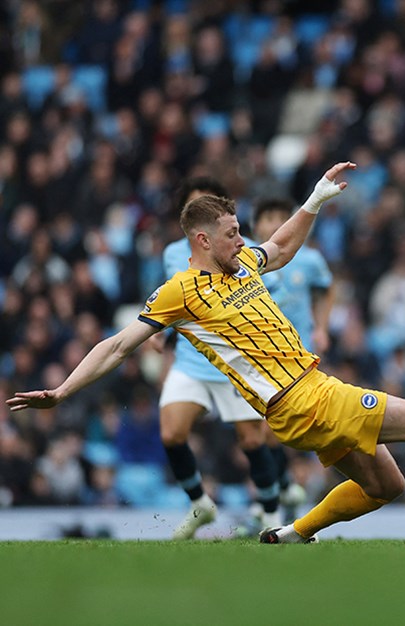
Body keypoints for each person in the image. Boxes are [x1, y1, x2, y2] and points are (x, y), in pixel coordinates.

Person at [7, 161, 405, 544]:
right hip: (305, 399)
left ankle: (290, 534)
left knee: (385, 486)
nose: (244, 241)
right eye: (233, 232)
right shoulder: (179, 292)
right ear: (201, 239)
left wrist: (315, 199)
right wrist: (62, 391)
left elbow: (282, 247)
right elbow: (116, 346)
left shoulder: (239, 264)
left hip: (299, 407)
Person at [157, 177, 283, 539]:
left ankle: (271, 515)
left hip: (232, 365)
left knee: (253, 442)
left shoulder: (241, 252)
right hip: (191, 362)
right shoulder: (170, 256)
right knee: (171, 432)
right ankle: (201, 503)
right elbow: (168, 304)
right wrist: (159, 339)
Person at [250, 196, 335, 518]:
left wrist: (322, 328)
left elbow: (327, 289)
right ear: (256, 225)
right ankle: (284, 489)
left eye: (280, 218)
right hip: (258, 355)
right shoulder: (246, 261)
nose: (273, 225)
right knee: (259, 432)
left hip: (298, 354)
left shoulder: (309, 260)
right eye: (267, 218)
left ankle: (278, 494)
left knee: (271, 430)